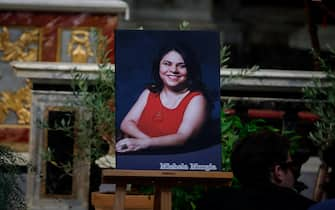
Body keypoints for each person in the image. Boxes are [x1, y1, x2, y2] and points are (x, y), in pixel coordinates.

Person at [116, 43, 210, 153]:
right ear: (158, 66)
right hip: (137, 153)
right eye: (167, 64)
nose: (174, 70)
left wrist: (145, 143)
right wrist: (145, 142)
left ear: (191, 69)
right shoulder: (149, 92)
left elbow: (182, 137)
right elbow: (126, 123)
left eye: (182, 65)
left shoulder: (197, 99)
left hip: (171, 161)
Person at [196, 130, 316, 210]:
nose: (295, 174)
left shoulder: (211, 203)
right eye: (291, 166)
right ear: (278, 171)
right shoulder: (304, 206)